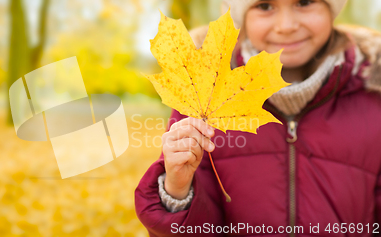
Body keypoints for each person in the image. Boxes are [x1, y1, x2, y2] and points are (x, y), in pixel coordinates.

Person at [135, 0, 381, 236]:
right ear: (242, 18)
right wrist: (177, 190)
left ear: (332, 9)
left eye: (304, 2)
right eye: (265, 6)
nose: (286, 25)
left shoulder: (374, 98)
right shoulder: (203, 95)